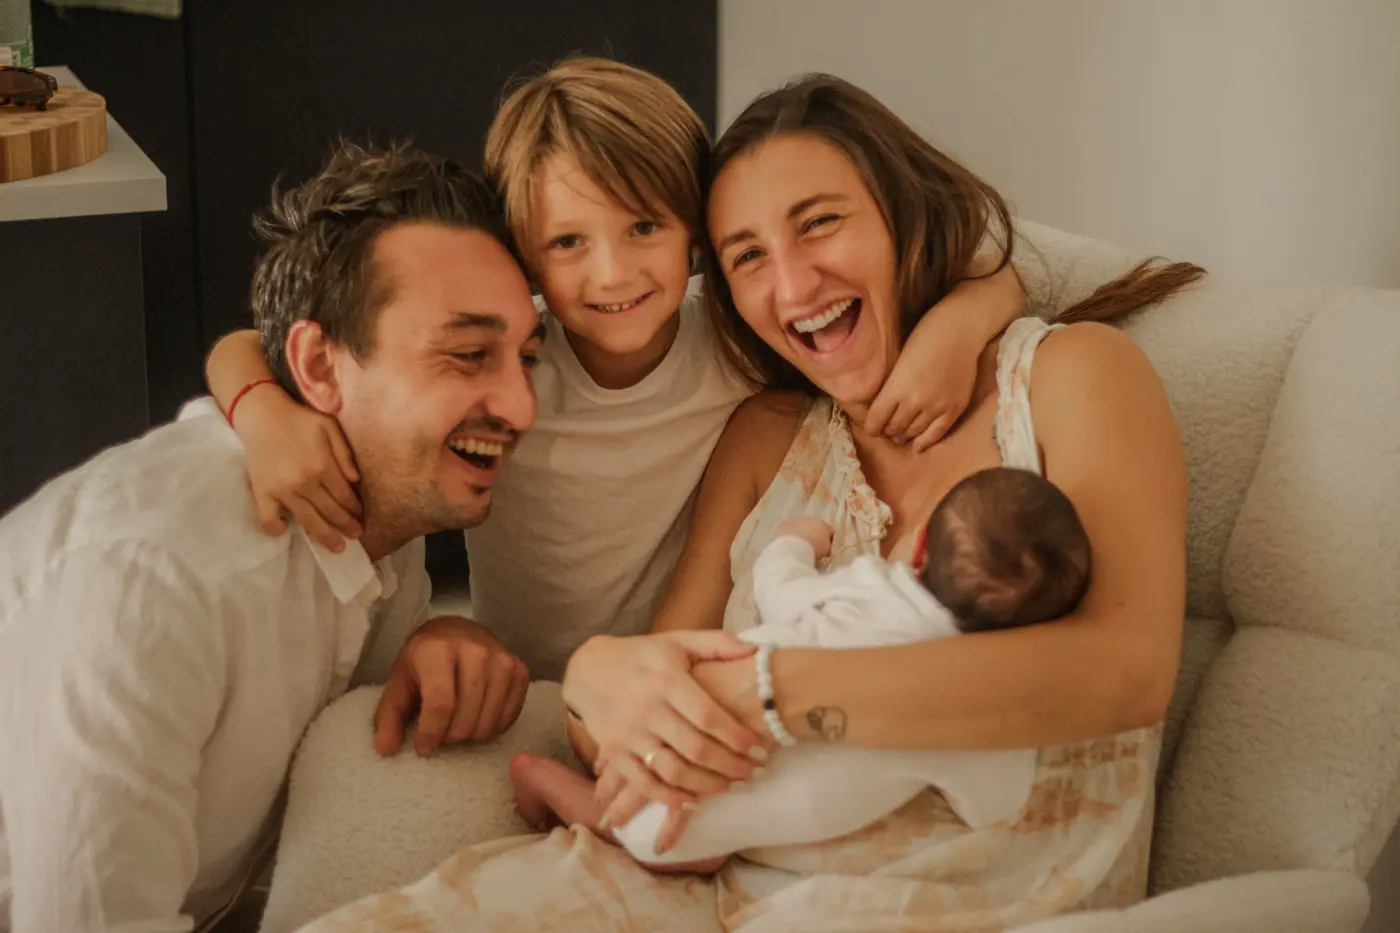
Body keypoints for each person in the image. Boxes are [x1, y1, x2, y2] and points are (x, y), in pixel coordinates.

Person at [282, 73, 1199, 933]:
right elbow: (627, 706)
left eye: (821, 224)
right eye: (746, 256)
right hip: (701, 881)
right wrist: (598, 676)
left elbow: (1122, 674)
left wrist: (767, 691)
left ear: (904, 217)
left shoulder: (1074, 378)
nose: (791, 286)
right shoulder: (766, 428)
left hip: (972, 897)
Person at [201, 57, 1026, 705]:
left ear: (695, 231)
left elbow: (992, 260)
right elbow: (251, 343)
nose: (613, 272)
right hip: (513, 682)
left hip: (674, 670)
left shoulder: (740, 336)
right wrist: (259, 407)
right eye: (567, 243)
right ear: (523, 252)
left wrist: (961, 324)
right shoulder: (507, 362)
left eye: (643, 226)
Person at [0, 140, 540, 933]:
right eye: (468, 355)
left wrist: (440, 634)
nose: (523, 407)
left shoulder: (381, 509)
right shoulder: (151, 578)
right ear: (320, 367)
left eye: (527, 357)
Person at [510, 464, 1092, 869]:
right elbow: (999, 805)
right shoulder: (972, 720)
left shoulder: (863, 588)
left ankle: (543, 777)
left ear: (917, 549)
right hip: (702, 787)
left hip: (682, 729)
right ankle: (550, 780)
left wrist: (797, 540)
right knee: (680, 845)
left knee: (656, 830)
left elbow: (779, 587)